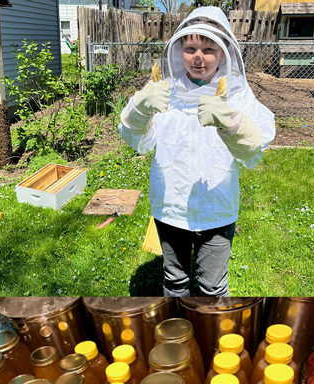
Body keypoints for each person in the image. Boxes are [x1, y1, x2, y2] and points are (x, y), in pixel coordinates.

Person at [118, 7, 276, 297]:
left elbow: (257, 145)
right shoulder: (163, 89)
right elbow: (137, 140)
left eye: (208, 48)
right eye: (190, 48)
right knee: (174, 280)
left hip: (217, 208)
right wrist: (141, 106)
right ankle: (177, 337)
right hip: (171, 206)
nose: (199, 56)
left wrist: (230, 121)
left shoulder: (237, 93)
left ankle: (215, 337)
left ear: (224, 50)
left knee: (213, 286)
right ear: (179, 50)